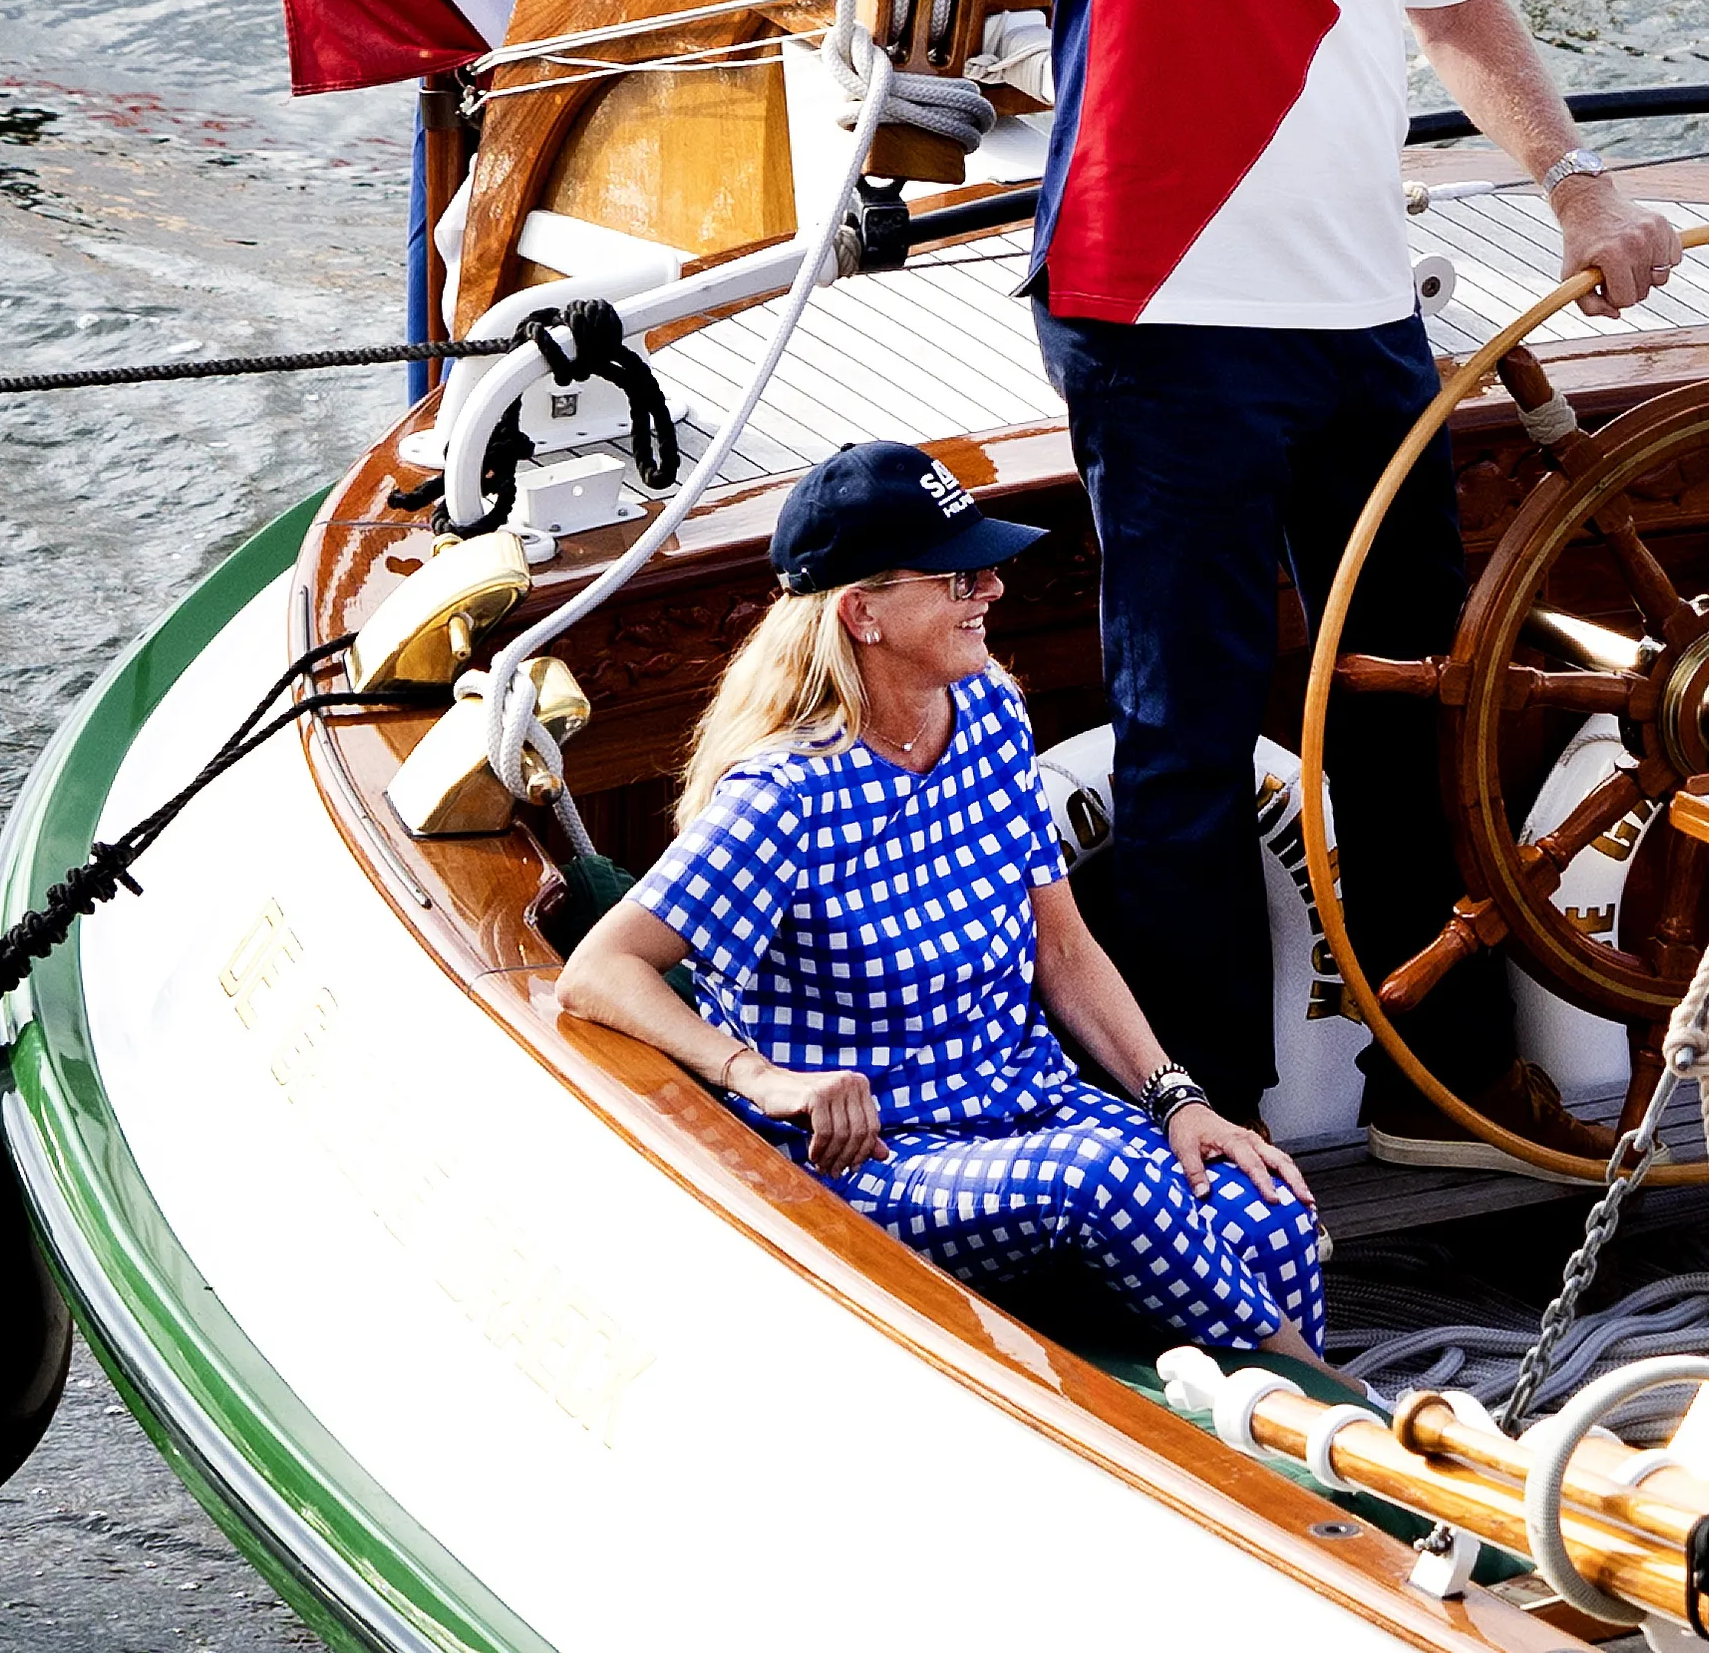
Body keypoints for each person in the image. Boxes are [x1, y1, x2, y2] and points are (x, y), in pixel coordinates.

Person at [1016, 0, 1686, 1170]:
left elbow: (1457, 0)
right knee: (1185, 728)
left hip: (1358, 315)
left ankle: (1434, 1081)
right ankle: (1206, 1124)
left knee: (1418, 697)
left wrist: (1576, 176)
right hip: (1162, 314)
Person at [556, 441, 1327, 1359]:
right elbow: (599, 970)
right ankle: (1335, 1415)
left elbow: (1064, 948)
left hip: (1032, 1105)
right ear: (863, 614)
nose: (992, 591)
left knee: (1268, 1208)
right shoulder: (782, 797)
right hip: (880, 1160)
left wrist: (1179, 1101)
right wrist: (758, 1077)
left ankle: (1269, 1455)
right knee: (1104, 1179)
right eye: (960, 580)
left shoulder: (991, 713)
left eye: (986, 571)